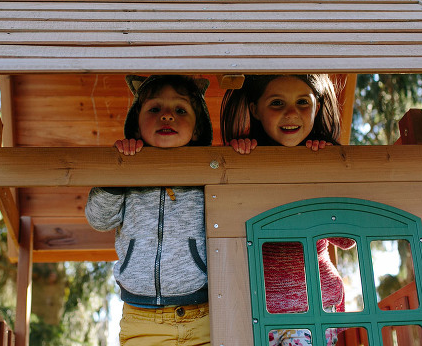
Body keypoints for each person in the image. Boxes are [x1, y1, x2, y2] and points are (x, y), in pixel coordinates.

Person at [220, 74, 355, 346]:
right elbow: (226, 225)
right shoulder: (247, 158)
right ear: (255, 109)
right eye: (277, 103)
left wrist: (324, 174)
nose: (291, 112)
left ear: (318, 106)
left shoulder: (325, 159)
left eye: (303, 102)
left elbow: (347, 239)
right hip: (258, 312)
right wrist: (237, 163)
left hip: (316, 308)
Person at [85, 75, 213, 346]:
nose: (167, 116)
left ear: (198, 129)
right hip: (141, 316)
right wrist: (117, 171)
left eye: (180, 110)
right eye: (155, 109)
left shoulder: (207, 171)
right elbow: (99, 219)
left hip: (202, 313)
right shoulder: (127, 169)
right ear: (135, 126)